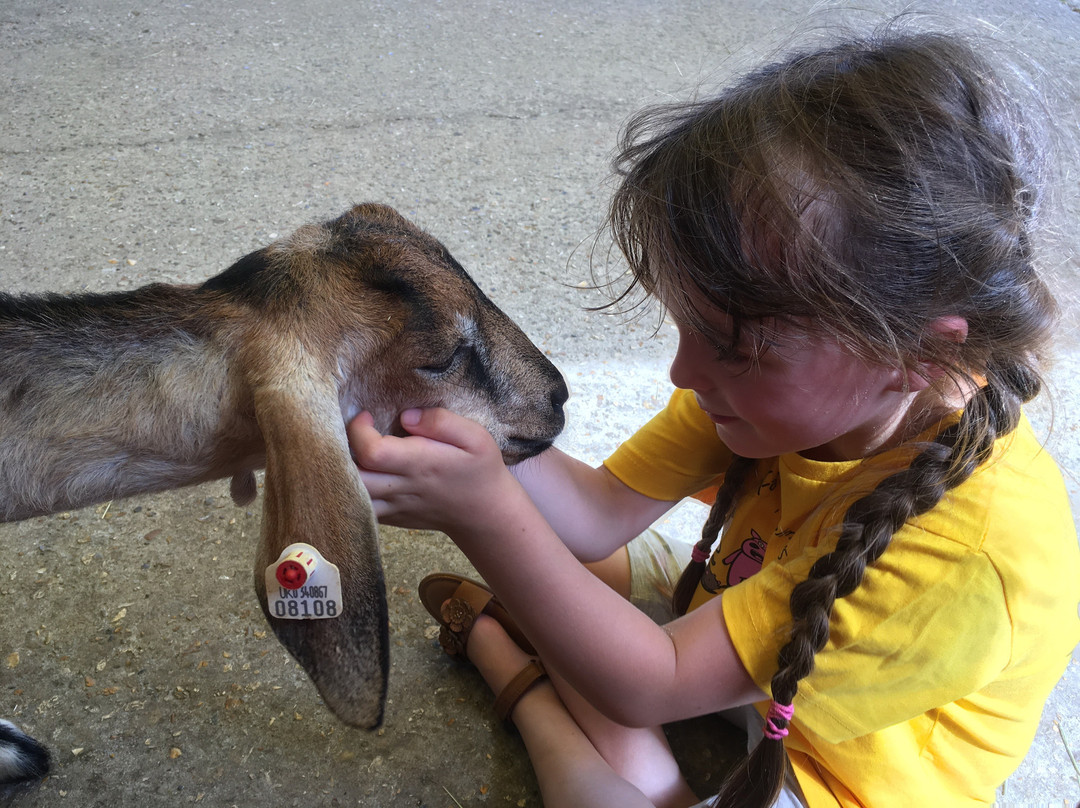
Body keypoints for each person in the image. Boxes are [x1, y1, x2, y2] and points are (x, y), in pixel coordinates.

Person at [347, 26, 1080, 808]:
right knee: (579, 572)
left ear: (916, 355)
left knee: (609, 745)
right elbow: (597, 517)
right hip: (752, 596)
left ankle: (512, 673)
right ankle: (556, 654)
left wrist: (481, 514)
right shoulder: (778, 396)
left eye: (731, 346)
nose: (683, 373)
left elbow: (647, 682)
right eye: (684, 327)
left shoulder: (963, 561)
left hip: (842, 766)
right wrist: (451, 418)